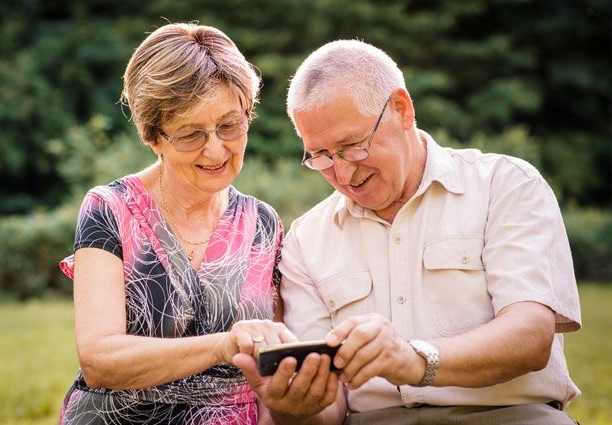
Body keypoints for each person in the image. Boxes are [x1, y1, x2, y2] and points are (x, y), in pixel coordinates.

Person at [234, 40, 582, 424]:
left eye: (352, 146)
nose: (344, 174)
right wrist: (296, 406)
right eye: (321, 156)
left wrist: (412, 359)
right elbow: (330, 410)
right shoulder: (306, 238)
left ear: (402, 109)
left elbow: (530, 337)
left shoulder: (505, 185)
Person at [58, 22, 296, 425]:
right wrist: (223, 346)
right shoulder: (110, 208)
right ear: (152, 137)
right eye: (190, 134)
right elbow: (100, 358)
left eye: (230, 125)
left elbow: (273, 373)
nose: (216, 149)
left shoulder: (263, 224)